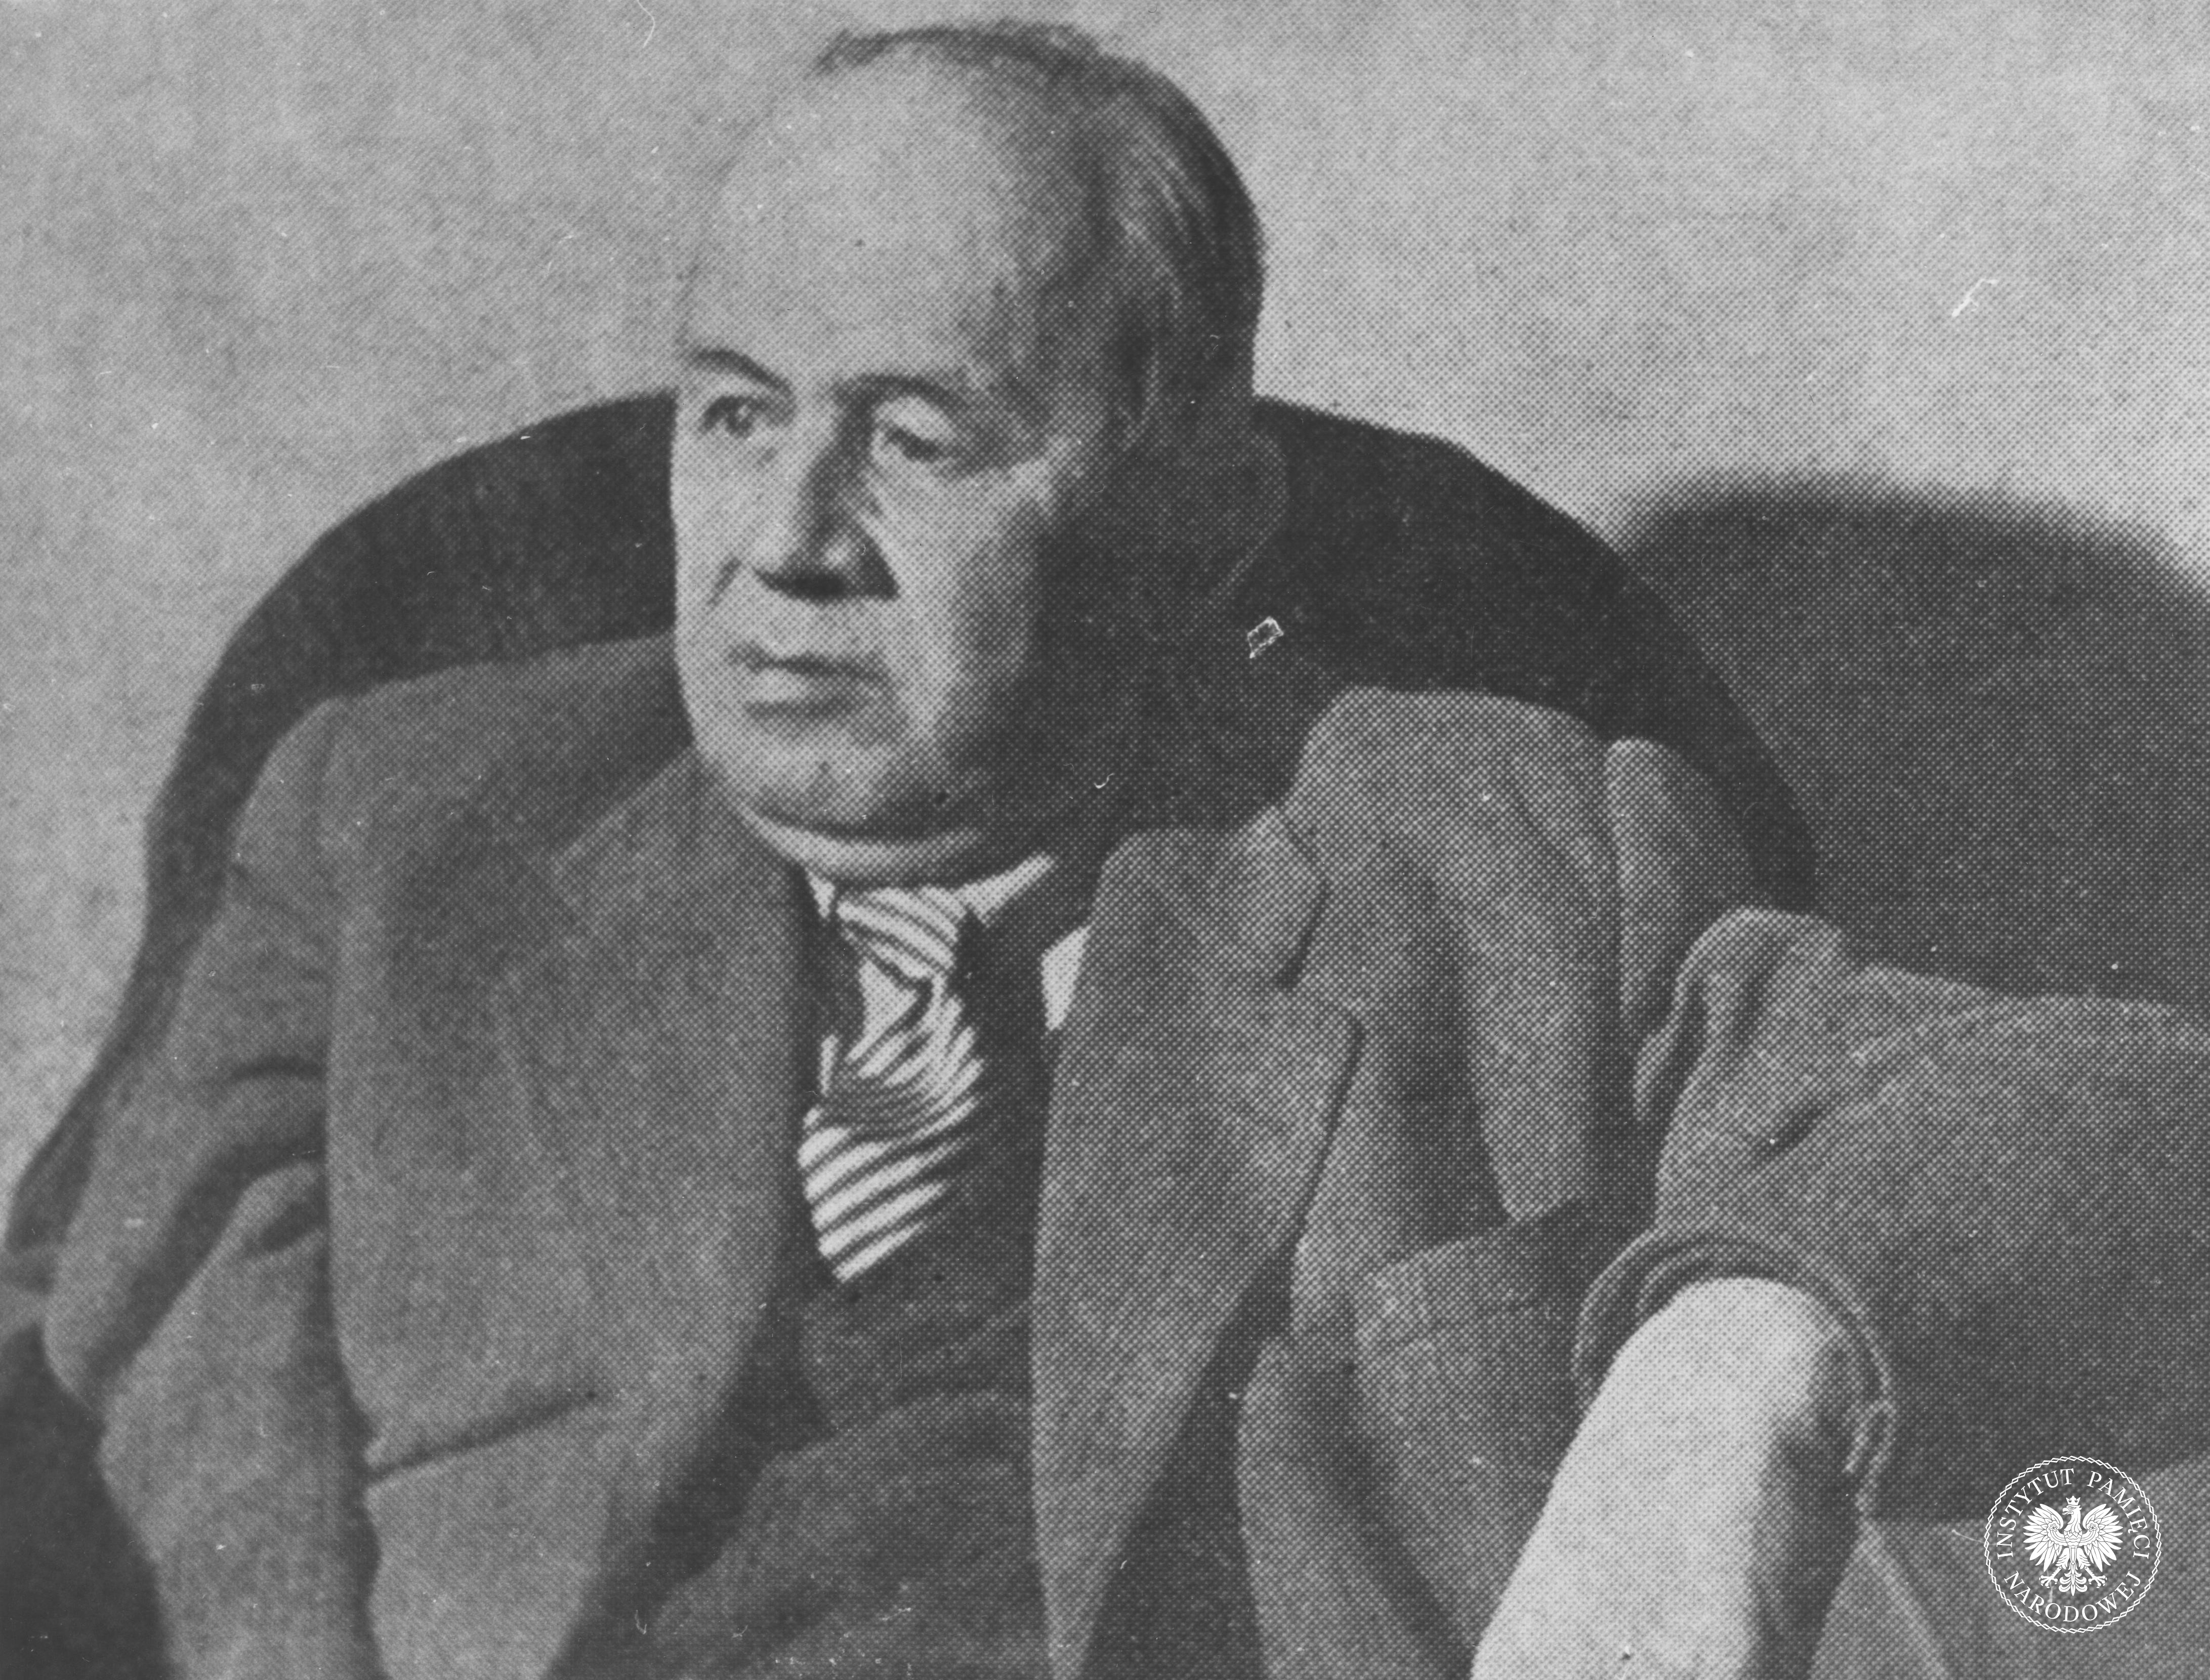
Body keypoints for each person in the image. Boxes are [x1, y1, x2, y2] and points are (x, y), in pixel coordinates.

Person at [39, 23, 2210, 1680]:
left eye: (916, 438)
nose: (785, 543)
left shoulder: (1488, 850)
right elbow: (156, 1399)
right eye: (736, 411)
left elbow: (2138, 1128)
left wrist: (1737, 1368)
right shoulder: (398, 832)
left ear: (1198, 521)